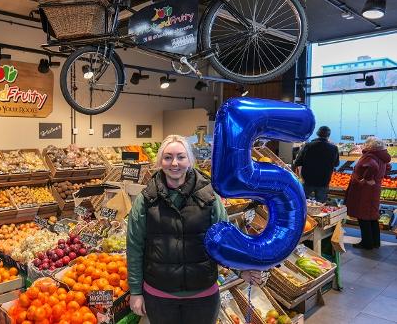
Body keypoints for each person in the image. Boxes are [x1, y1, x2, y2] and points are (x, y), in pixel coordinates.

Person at [126, 135, 263, 324]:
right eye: (167, 157)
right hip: (160, 296)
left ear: (190, 160)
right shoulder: (146, 199)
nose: (174, 163)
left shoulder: (209, 197)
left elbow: (224, 242)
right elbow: (134, 247)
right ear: (159, 162)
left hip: (202, 296)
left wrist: (241, 270)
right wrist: (135, 291)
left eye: (181, 157)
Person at [345, 137, 391, 249]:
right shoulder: (381, 156)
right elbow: (387, 167)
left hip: (365, 190)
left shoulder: (370, 156)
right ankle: (375, 242)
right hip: (375, 189)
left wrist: (366, 179)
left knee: (363, 215)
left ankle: (367, 243)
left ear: (370, 146)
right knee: (372, 216)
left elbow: (372, 166)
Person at [293, 126, 340, 202]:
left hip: (308, 180)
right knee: (320, 207)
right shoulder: (334, 148)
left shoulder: (308, 146)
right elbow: (336, 164)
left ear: (318, 134)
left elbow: (298, 162)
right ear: (328, 135)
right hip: (324, 181)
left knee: (302, 203)